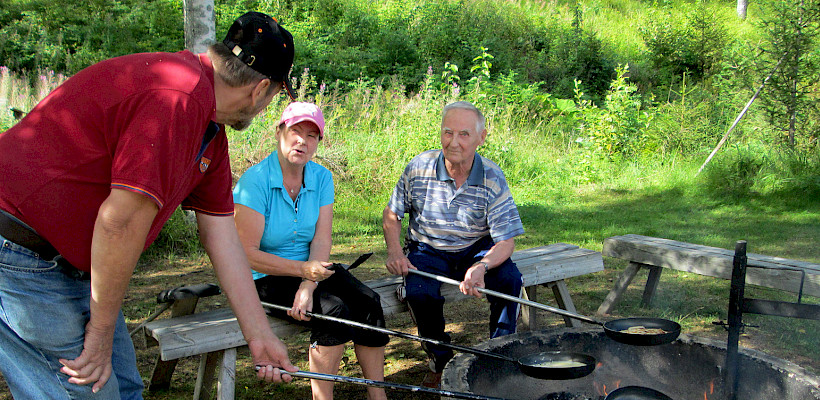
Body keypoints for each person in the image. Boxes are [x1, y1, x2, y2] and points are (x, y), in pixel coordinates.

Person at [0, 11, 300, 399]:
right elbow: (118, 223)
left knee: (124, 390)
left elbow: (222, 237)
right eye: (276, 95)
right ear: (260, 90)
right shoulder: (176, 97)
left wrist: (259, 337)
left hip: (68, 266)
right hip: (21, 255)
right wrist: (100, 332)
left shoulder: (210, 130)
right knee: (89, 390)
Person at [233, 102, 389, 400]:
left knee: (369, 302)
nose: (302, 141)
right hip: (263, 276)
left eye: (312, 135)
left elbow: (321, 240)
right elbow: (246, 254)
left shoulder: (321, 178)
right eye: (295, 131)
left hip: (310, 270)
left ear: (318, 142)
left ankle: (378, 396)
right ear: (278, 132)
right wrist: (303, 272)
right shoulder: (255, 182)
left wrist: (308, 283)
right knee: (333, 310)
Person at [382, 101, 526, 388]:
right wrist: (396, 252)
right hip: (427, 248)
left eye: (464, 134)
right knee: (419, 293)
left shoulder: (492, 177)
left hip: (476, 247)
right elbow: (392, 214)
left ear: (481, 138)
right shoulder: (418, 168)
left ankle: (499, 354)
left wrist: (482, 266)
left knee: (510, 280)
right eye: (448, 133)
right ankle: (441, 358)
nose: (454, 142)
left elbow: (506, 241)